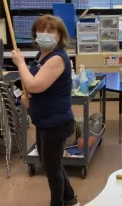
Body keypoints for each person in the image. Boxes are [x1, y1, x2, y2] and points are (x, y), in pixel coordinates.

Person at [12, 14, 79, 206]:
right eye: (40, 31)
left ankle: (58, 202)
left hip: (56, 122)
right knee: (50, 163)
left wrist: (20, 64)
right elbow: (30, 86)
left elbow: (34, 84)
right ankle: (70, 199)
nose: (44, 34)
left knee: (52, 168)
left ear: (59, 36)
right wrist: (26, 97)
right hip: (43, 121)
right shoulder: (41, 56)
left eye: (50, 31)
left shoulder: (57, 58)